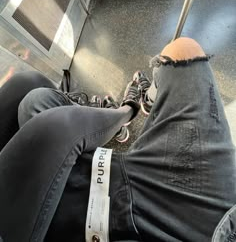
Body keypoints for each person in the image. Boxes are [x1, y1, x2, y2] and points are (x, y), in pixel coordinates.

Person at [0, 37, 235, 242]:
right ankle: (131, 109)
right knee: (184, 50)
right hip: (213, 226)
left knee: (36, 101)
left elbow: (54, 129)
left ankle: (126, 112)